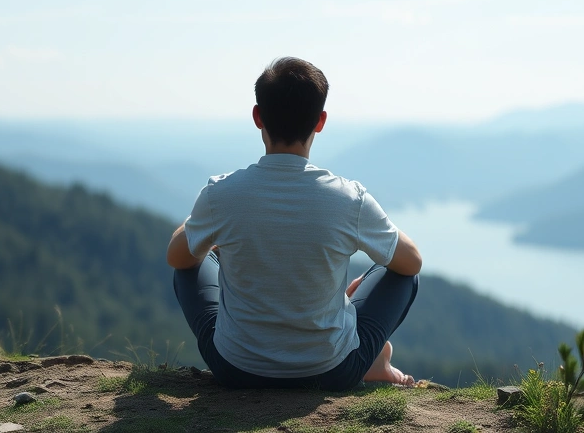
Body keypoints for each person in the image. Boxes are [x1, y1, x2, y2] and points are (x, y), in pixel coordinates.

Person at [167, 57, 422, 391]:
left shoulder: (222, 194)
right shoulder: (348, 199)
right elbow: (412, 261)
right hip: (332, 372)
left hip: (235, 370)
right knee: (402, 276)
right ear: (320, 121)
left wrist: (213, 227)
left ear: (258, 117)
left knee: (191, 263)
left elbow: (177, 257)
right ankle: (366, 353)